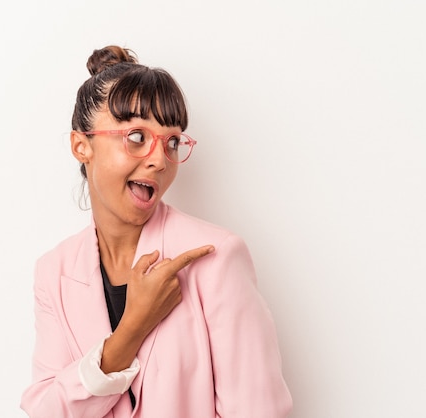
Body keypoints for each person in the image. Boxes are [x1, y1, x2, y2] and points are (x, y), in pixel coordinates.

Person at [20, 45, 292, 418]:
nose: (159, 159)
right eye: (136, 137)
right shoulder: (54, 271)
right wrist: (132, 327)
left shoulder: (216, 257)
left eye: (173, 142)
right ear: (81, 146)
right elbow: (47, 411)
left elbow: (259, 412)